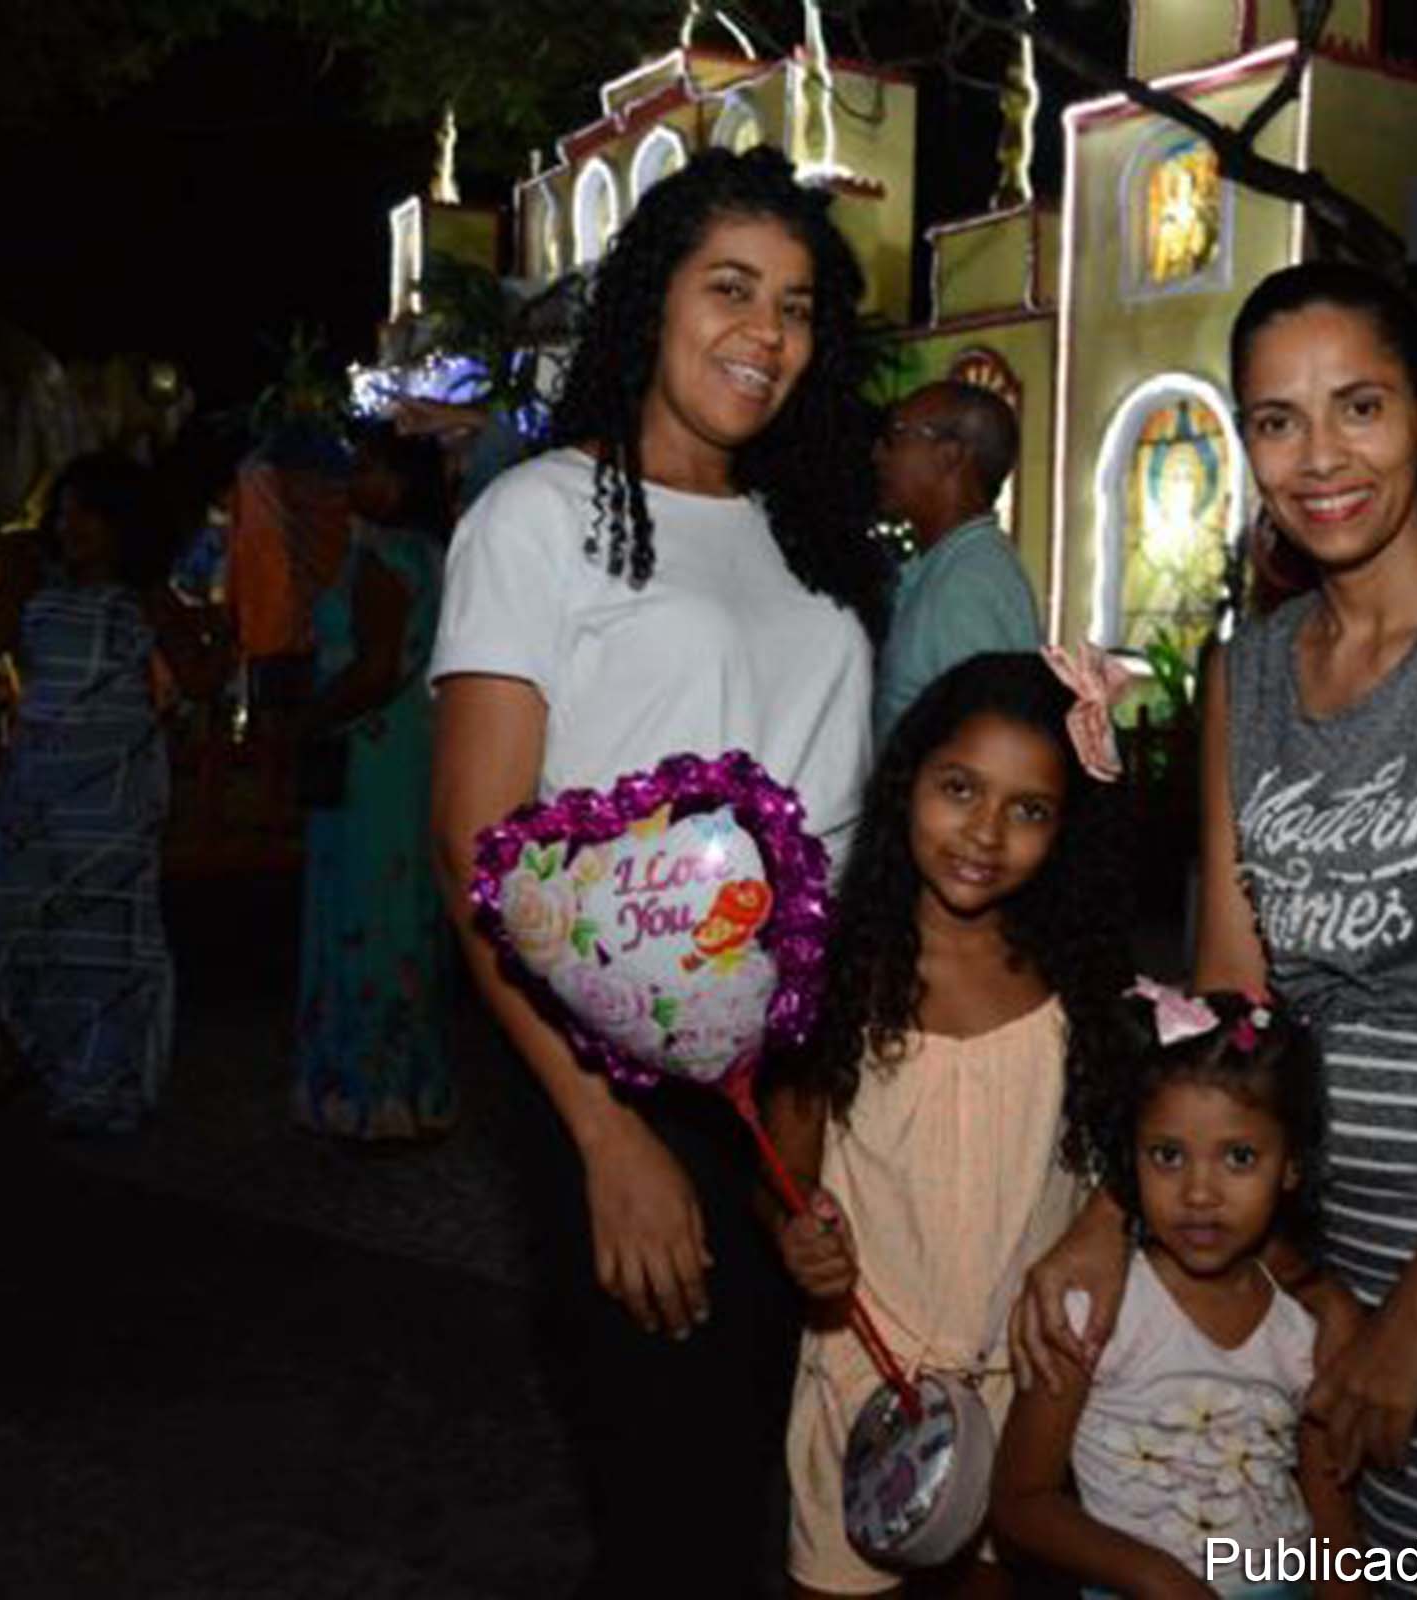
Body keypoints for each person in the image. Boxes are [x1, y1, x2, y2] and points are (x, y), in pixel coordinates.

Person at [1010, 262, 1417, 1596]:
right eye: (1275, 420)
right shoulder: (1244, 674)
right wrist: (1106, 1207)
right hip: (1326, 1228)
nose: (1319, 459)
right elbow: (1226, 1000)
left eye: (1358, 406)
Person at [428, 147, 888, 1598]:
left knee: (746, 1469)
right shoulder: (538, 518)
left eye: (799, 307)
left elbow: (837, 841)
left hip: (788, 1085)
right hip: (608, 1084)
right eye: (731, 290)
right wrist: (603, 1143)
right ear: (653, 305)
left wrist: (805, 1138)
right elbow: (472, 850)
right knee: (666, 1502)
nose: (766, 333)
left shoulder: (813, 543)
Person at [765, 650, 1134, 1598]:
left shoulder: (1075, 983)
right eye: (960, 788)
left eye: (1029, 810)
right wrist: (796, 1235)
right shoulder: (836, 975)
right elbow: (784, 1171)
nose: (985, 833)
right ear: (906, 784)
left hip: (1021, 1389)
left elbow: (1113, 1151)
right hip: (865, 1380)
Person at [993, 984, 1365, 1600]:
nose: (1199, 1192)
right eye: (1167, 1155)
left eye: (1239, 1157)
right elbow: (1021, 1502)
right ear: (1129, 1161)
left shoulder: (1309, 1325)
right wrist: (1157, 1578)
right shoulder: (1090, 1315)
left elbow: (1335, 1537)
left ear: (1291, 1165)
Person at [0, 453, 228, 1134]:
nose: (71, 527)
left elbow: (198, 679)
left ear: (121, 524)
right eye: (63, 512)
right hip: (36, 784)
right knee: (6, 925)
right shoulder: (29, 584)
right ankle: (18, 1052)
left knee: (103, 938)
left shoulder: (148, 595)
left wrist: (222, 640)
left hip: (115, 790)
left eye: (86, 514)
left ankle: (101, 1081)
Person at [290, 423, 451, 1140]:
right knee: (403, 912)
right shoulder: (436, 556)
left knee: (362, 912)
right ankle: (411, 1088)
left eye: (369, 469)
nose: (355, 481)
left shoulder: (382, 557)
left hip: (367, 751)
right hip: (410, 749)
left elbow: (375, 667)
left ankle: (366, 1089)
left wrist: (311, 719)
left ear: (402, 483)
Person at [871, 381, 1042, 736]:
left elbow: (982, 743)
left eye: (896, 436)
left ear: (950, 455)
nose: (879, 455)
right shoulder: (946, 564)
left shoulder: (969, 583)